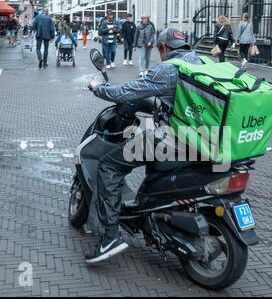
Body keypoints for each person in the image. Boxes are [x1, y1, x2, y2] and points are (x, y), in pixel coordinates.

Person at [85, 29, 201, 263]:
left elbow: (126, 92)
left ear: (164, 47)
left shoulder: (168, 69)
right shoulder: (201, 62)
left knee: (109, 165)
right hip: (204, 139)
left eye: (160, 49)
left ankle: (110, 237)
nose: (160, 53)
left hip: (173, 140)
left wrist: (98, 87)